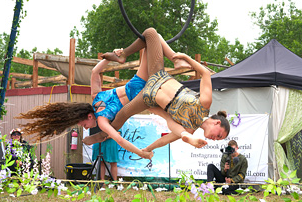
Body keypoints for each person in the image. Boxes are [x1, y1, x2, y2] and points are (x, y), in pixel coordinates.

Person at [17, 34, 191, 160]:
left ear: (90, 115)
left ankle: (175, 61)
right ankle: (175, 58)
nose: (86, 126)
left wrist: (141, 153)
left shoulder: (101, 121)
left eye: (85, 124)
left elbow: (120, 139)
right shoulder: (96, 96)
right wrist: (110, 58)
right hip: (137, 84)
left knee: (150, 37)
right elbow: (95, 72)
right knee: (150, 36)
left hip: (141, 97)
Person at [86, 27, 230, 150]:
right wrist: (186, 58)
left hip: (148, 97)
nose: (215, 139)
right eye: (219, 135)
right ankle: (171, 58)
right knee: (150, 33)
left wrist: (148, 149)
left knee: (122, 115)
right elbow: (205, 73)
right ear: (217, 122)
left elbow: (164, 140)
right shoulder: (205, 103)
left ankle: (103, 135)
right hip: (158, 77)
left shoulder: (189, 129)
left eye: (218, 139)